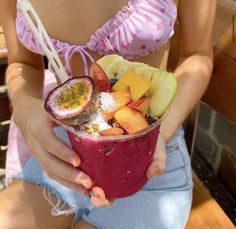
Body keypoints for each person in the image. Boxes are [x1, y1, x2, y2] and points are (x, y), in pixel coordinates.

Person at [0, 0, 216, 228]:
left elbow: (197, 55)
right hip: (68, 152)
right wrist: (23, 104)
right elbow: (24, 63)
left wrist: (161, 133)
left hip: (150, 156)